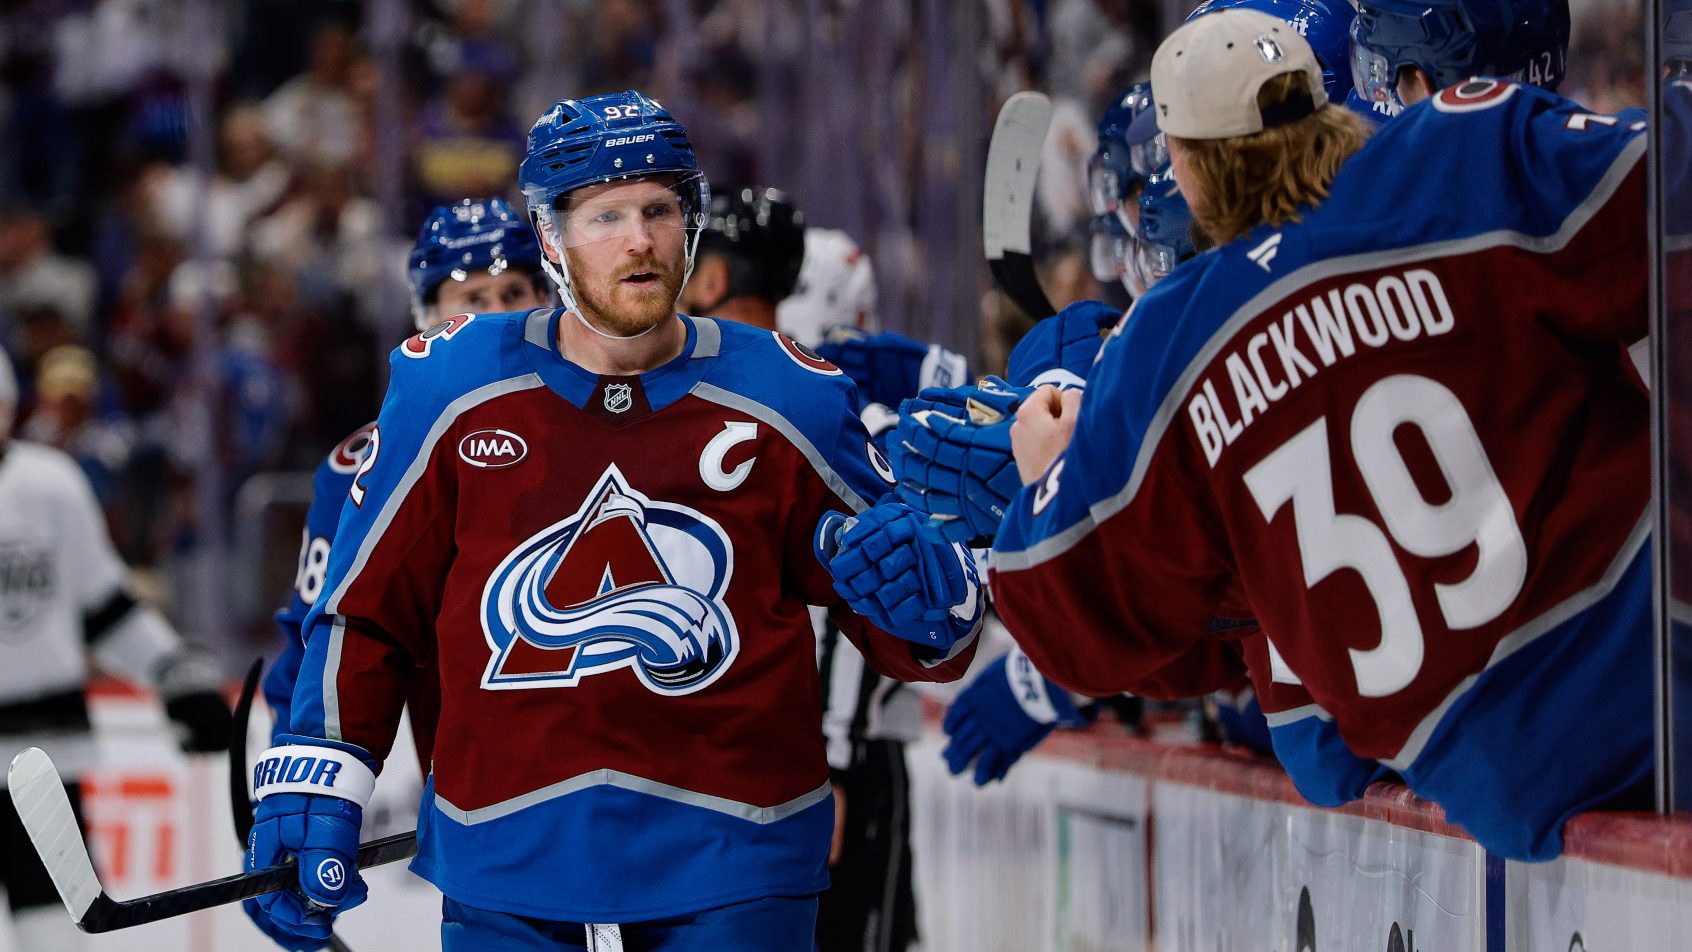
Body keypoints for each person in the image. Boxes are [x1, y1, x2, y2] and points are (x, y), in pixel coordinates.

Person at [245, 90, 981, 952]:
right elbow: (367, 608)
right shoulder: (450, 388)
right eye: (606, 215)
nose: (639, 240)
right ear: (551, 238)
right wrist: (319, 776)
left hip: (733, 861)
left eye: (660, 209)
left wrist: (934, 600)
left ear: (691, 224)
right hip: (507, 860)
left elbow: (913, 621)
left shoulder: (791, 395)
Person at [994, 8, 1648, 861]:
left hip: (1510, 790)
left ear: (1184, 172)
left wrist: (1044, 479)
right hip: (1655, 685)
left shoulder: (1168, 347)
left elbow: (1062, 609)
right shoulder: (1461, 152)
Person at [244, 197, 550, 951]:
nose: (494, 316)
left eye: (514, 295)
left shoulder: (607, 419)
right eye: (470, 299)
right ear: (426, 317)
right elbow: (325, 636)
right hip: (484, 804)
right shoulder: (364, 462)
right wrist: (299, 788)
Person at [0, 346, 231, 951]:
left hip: (42, 764)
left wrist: (180, 680)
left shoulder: (50, 486)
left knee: (55, 932)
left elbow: (107, 608)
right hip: (44, 751)